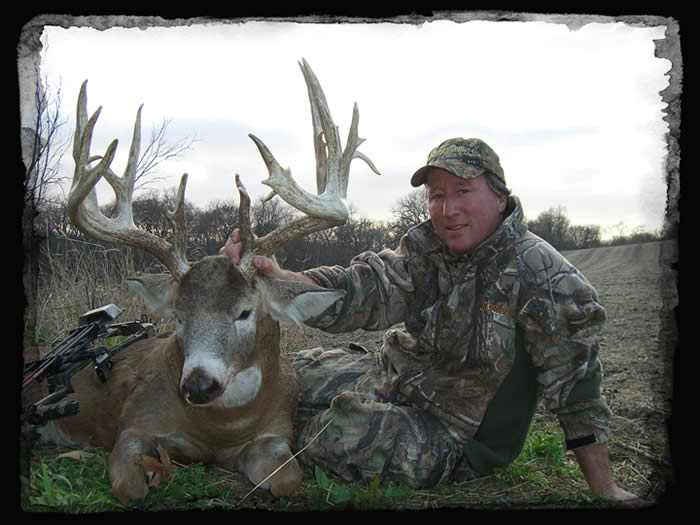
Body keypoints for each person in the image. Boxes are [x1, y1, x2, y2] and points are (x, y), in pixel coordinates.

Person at [220, 137, 639, 502]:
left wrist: (603, 488)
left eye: (462, 191)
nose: (448, 209)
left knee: (336, 434)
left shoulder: (546, 278)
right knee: (295, 372)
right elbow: (368, 287)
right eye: (436, 196)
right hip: (393, 380)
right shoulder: (428, 249)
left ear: (499, 196)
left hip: (455, 435)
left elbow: (577, 387)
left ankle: (232, 442)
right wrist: (281, 278)